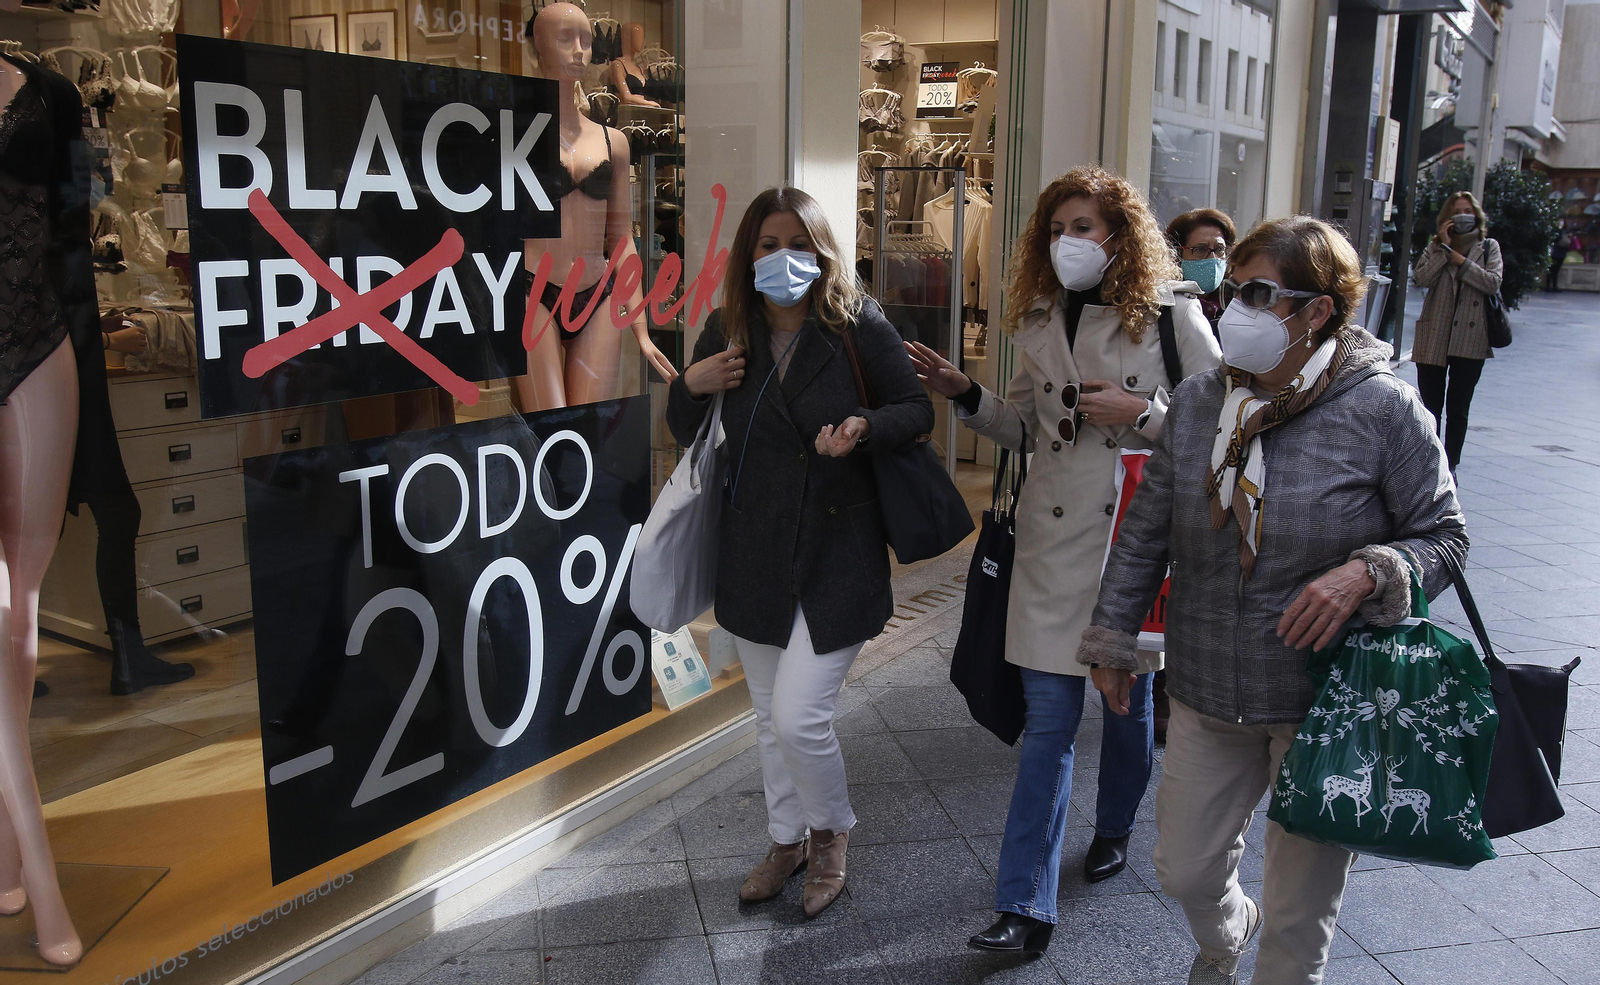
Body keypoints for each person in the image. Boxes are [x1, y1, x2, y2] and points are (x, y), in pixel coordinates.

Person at [1079, 214, 1467, 985]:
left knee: (1298, 914)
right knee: (1184, 867)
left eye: (1258, 294)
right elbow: (1147, 528)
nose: (1233, 309)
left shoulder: (1383, 408)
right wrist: (1114, 637)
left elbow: (1444, 536)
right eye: (1232, 292)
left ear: (1317, 310)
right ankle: (1228, 928)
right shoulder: (1200, 401)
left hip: (1327, 699)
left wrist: (1372, 570)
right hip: (1207, 682)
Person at [906, 166, 1221, 956]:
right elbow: (1024, 427)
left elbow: (1223, 428)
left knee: (1125, 709)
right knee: (1048, 725)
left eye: (1083, 227)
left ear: (1121, 235)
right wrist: (964, 393)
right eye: (1055, 229)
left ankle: (1114, 823)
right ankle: (1025, 905)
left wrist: (1142, 411)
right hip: (1048, 544)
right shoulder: (1042, 316)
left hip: (1132, 546)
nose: (1066, 242)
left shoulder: (1174, 318)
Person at [665, 187, 932, 918]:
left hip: (836, 549)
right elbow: (688, 430)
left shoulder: (854, 322)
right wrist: (691, 384)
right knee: (766, 714)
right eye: (768, 244)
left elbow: (916, 409)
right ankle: (785, 841)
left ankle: (831, 833)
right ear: (747, 254)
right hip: (752, 547)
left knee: (799, 715)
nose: (783, 258)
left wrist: (862, 426)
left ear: (822, 252)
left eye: (798, 244)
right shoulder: (728, 329)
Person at [1411, 190, 1502, 475]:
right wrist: (1443, 249)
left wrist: (1463, 263)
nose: (1463, 217)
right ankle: (1430, 464)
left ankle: (1450, 466)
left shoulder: (1488, 247)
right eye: (1457, 212)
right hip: (1434, 336)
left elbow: (1492, 282)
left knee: (1458, 410)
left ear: (1476, 215)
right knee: (1429, 409)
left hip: (1470, 339)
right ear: (1447, 218)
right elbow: (1421, 278)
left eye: (1467, 212)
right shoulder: (1436, 247)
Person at [1166, 207, 1236, 330]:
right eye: (1200, 249)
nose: (1213, 258)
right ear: (1176, 255)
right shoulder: (1164, 308)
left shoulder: (1237, 302)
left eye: (1220, 249)